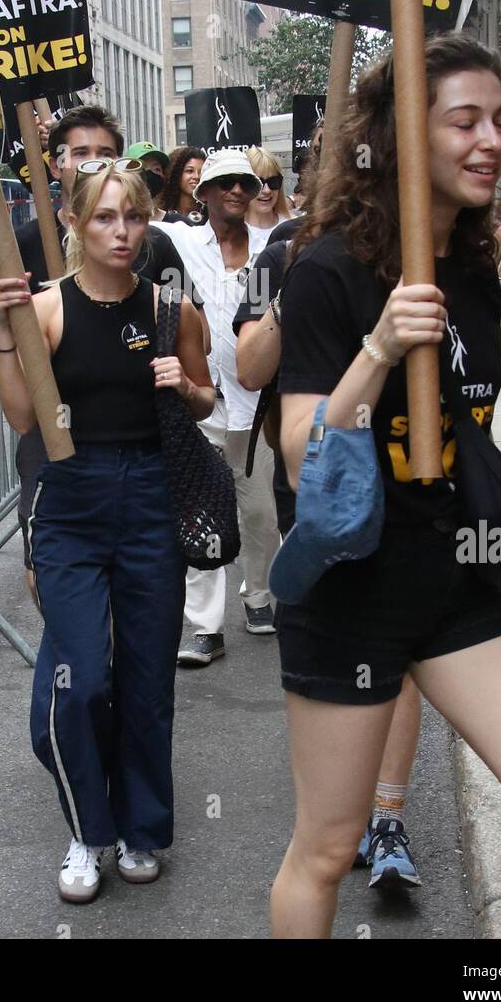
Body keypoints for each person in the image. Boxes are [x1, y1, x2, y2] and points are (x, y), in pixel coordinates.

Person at [271, 32, 501, 940]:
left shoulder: (463, 256)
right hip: (353, 592)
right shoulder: (328, 271)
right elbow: (304, 455)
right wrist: (378, 348)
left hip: (455, 572)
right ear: (404, 138)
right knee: (329, 850)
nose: (491, 139)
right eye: (465, 121)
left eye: (499, 119)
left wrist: (494, 284)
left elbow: (473, 407)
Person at [0, 158, 214, 903]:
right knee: (80, 681)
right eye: (106, 218)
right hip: (72, 503)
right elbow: (23, 418)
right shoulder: (48, 309)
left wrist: (185, 387)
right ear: (75, 225)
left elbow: (208, 398)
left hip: (152, 496)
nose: (122, 233)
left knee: (148, 683)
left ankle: (144, 829)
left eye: (135, 217)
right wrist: (0, 337)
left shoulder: (167, 307)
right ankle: (90, 831)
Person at [234, 234, 424, 889]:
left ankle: (389, 817)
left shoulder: (415, 240)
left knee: (399, 661)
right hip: (319, 491)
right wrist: (290, 297)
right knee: (341, 657)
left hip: (406, 484)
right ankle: (333, 820)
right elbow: (250, 368)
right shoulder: (287, 256)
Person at [0, 104, 204, 609]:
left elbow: (196, 342)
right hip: (56, 454)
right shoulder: (19, 249)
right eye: (80, 154)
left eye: (106, 153)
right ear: (56, 162)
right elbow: (2, 364)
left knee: (141, 640)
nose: (119, 232)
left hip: (148, 471)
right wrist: (19, 330)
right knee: (71, 627)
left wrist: (175, 375)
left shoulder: (158, 252)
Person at [153, 150, 281, 664]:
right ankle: (205, 627)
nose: (236, 192)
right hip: (198, 403)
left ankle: (258, 594)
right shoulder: (179, 241)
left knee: (259, 512)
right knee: (200, 512)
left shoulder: (271, 250)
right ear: (201, 191)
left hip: (257, 404)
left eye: (246, 184)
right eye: (224, 182)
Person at [246, 147, 292, 232]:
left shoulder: (295, 229)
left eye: (273, 182)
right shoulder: (229, 232)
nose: (267, 190)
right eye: (259, 182)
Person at [160, 146, 206, 223]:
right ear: (176, 174)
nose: (196, 176)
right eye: (190, 171)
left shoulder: (213, 214)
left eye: (201, 172)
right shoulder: (161, 215)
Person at [126, 141, 171, 217]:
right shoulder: (115, 222)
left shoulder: (176, 223)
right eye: (141, 168)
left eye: (156, 169)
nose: (148, 174)